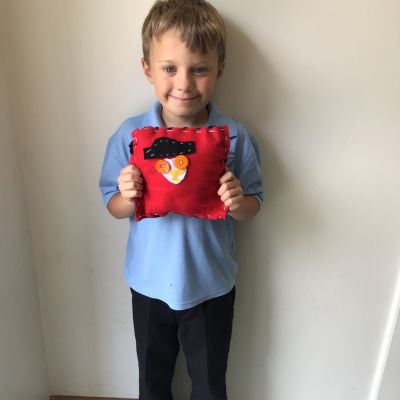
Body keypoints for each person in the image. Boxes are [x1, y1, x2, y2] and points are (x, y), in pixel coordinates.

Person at [99, 0, 263, 399]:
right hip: (148, 284)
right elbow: (112, 205)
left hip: (211, 286)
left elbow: (254, 202)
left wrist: (238, 202)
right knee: (152, 382)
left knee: (209, 385)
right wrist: (126, 196)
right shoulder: (131, 135)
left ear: (219, 70)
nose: (185, 84)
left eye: (199, 69)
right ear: (147, 70)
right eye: (170, 68)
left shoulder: (235, 136)